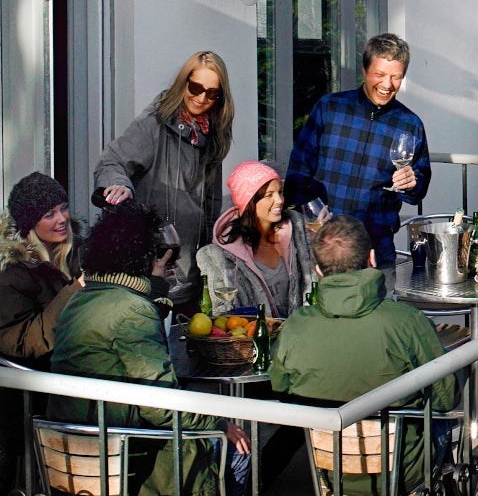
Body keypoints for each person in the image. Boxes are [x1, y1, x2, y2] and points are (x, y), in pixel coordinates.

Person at [48, 202, 250, 496]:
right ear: (148, 258)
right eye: (167, 260)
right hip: (117, 467)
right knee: (235, 449)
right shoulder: (132, 311)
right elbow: (161, 407)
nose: (172, 267)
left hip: (71, 459)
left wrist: (153, 290)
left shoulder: (82, 299)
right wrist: (222, 423)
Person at [267, 216, 456, 496]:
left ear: (318, 270)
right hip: (404, 471)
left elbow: (281, 389)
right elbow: (447, 397)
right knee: (438, 410)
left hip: (329, 472)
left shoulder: (296, 326)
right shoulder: (407, 321)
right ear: (371, 258)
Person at [0, 172, 84, 496]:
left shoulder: (70, 251)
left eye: (63, 208)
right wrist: (75, 291)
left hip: (63, 370)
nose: (62, 219)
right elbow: (23, 343)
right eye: (49, 214)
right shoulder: (8, 279)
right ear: (28, 225)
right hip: (31, 394)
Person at [94, 50, 235, 311]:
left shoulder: (213, 134)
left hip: (192, 275)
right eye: (195, 87)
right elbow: (111, 162)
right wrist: (119, 185)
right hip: (149, 270)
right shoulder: (154, 124)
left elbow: (211, 206)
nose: (202, 97)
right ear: (184, 82)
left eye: (212, 93)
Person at [285, 33, 430, 268]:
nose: (387, 85)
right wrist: (311, 218)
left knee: (378, 305)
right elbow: (298, 171)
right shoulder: (330, 108)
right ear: (364, 70)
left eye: (396, 77)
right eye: (380, 75)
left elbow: (419, 187)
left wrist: (412, 183)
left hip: (376, 249)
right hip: (323, 245)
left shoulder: (410, 123)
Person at [197, 161, 318, 318]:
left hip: (298, 335)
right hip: (253, 338)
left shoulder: (297, 233)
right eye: (269, 195)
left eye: (280, 192)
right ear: (249, 202)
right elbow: (222, 314)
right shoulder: (219, 256)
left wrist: (323, 241)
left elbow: (320, 284)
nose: (280, 200)